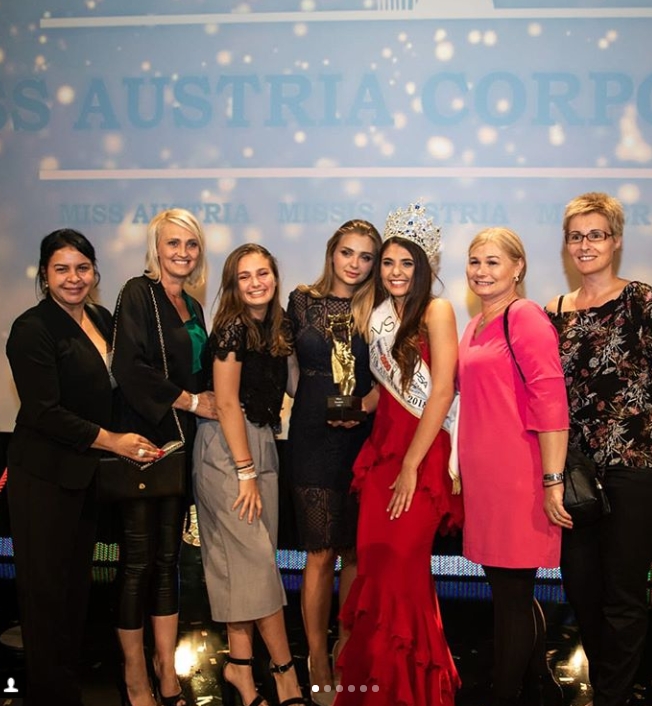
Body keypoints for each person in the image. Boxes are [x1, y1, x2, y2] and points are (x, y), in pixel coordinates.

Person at [6, 229, 158, 706]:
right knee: (46, 598)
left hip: (84, 476)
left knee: (74, 593)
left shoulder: (100, 317)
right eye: (61, 269)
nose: (73, 278)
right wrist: (114, 441)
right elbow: (43, 412)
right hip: (43, 478)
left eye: (82, 268)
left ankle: (66, 690)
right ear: (44, 274)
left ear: (94, 272)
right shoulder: (32, 328)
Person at [335, 202, 463, 706]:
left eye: (406, 263)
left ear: (424, 265)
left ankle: (412, 691)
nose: (395, 271)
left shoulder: (436, 310)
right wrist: (354, 407)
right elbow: (383, 392)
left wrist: (411, 464)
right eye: (387, 262)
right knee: (374, 568)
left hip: (421, 459)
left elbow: (441, 391)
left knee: (404, 575)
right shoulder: (379, 316)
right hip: (382, 454)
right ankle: (376, 690)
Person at [545, 192, 652, 706]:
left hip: (634, 466)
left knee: (624, 595)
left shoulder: (642, 301)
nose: (585, 245)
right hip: (574, 474)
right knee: (582, 588)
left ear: (615, 241)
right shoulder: (552, 312)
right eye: (576, 236)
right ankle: (611, 684)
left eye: (596, 235)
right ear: (566, 245)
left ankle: (613, 696)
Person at [457, 227, 569, 706]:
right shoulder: (474, 324)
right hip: (484, 480)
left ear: (518, 267)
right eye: (475, 261)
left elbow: (551, 400)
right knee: (510, 593)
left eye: (493, 262)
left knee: (511, 598)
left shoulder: (525, 317)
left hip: (519, 478)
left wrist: (552, 480)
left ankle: (506, 695)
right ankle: (537, 683)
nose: (481, 271)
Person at [193, 243, 306, 706]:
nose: (256, 283)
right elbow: (224, 404)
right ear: (233, 285)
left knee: (247, 566)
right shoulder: (232, 328)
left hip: (264, 443)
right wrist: (244, 471)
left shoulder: (278, 327)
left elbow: (296, 386)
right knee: (257, 566)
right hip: (228, 450)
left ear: (275, 277)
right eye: (245, 276)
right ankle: (285, 676)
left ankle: (240, 666)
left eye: (263, 273)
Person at [111, 209, 217, 706]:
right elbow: (129, 367)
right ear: (156, 248)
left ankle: (165, 667)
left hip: (181, 447)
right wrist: (191, 402)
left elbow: (200, 372)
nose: (183, 252)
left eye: (191, 244)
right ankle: (135, 675)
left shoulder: (191, 305)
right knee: (137, 564)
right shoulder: (138, 292)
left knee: (169, 560)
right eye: (173, 243)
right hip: (144, 446)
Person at [286, 219, 381, 704]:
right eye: (347, 252)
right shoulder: (301, 300)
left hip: (364, 436)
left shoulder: (381, 307)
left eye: (366, 257)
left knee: (356, 552)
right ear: (331, 252)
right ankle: (317, 657)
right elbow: (289, 368)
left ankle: (347, 646)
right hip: (311, 436)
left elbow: (394, 374)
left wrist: (363, 405)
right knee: (320, 552)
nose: (355, 264)